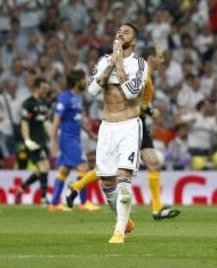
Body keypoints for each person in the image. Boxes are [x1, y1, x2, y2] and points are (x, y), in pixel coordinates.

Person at [66, 47, 181, 221]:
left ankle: (157, 208)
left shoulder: (149, 75)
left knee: (153, 162)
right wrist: (150, 110)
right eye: (160, 57)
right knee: (112, 168)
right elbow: (131, 98)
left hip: (138, 122)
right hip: (128, 124)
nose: (163, 60)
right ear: (151, 57)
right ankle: (76, 186)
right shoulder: (139, 72)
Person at [84, 23, 148, 243]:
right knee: (107, 184)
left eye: (127, 32)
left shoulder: (139, 64)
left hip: (129, 125)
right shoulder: (104, 60)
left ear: (135, 41)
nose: (121, 33)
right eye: (119, 31)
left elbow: (131, 93)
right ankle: (125, 220)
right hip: (107, 127)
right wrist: (111, 63)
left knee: (123, 181)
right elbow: (92, 91)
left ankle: (118, 232)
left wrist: (119, 64)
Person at [49, 70, 100, 212]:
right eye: (84, 78)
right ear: (77, 81)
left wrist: (90, 133)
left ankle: (54, 204)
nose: (86, 80)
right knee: (83, 167)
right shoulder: (64, 98)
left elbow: (78, 120)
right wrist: (53, 142)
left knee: (64, 170)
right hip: (67, 139)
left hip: (74, 138)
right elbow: (56, 121)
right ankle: (84, 202)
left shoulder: (78, 97)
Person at [14, 77, 51, 205]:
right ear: (36, 88)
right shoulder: (28, 104)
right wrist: (27, 140)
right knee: (44, 167)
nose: (45, 91)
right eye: (43, 88)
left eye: (47, 89)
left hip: (42, 140)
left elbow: (45, 123)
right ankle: (43, 198)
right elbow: (24, 123)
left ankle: (21, 188)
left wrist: (51, 138)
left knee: (41, 170)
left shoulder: (44, 104)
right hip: (33, 141)